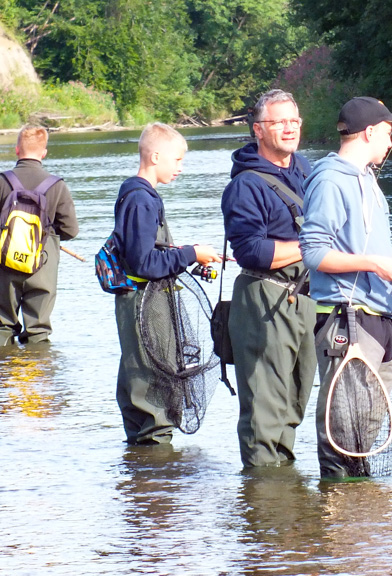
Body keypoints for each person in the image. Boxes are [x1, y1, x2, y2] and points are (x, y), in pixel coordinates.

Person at [298, 97, 392, 479]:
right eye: (387, 133)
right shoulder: (330, 180)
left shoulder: (367, 180)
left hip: (379, 317)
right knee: (343, 433)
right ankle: (336, 507)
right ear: (369, 132)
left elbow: (366, 245)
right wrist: (374, 264)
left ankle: (360, 511)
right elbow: (313, 252)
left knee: (364, 430)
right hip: (346, 320)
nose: (390, 142)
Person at [220, 90, 316, 467]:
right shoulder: (245, 185)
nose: (289, 128)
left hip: (306, 298)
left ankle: (286, 489)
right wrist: (313, 246)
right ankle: (262, 493)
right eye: (279, 122)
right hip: (265, 299)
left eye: (294, 120)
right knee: (264, 412)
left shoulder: (305, 169)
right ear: (258, 129)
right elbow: (251, 251)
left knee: (294, 402)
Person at [111, 122, 222, 445]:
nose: (180, 167)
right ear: (156, 156)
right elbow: (144, 263)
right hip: (144, 305)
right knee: (152, 380)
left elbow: (145, 252)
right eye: (177, 160)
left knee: (142, 377)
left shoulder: (139, 195)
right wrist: (190, 254)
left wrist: (188, 253)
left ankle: (144, 464)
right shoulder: (141, 200)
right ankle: (157, 460)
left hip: (143, 301)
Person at [0, 124, 79, 346]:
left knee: (1, 328)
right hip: (42, 266)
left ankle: (1, 366)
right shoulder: (58, 186)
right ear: (44, 153)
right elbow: (71, 230)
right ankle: (37, 366)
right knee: (38, 332)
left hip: (4, 265)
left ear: (17, 150)